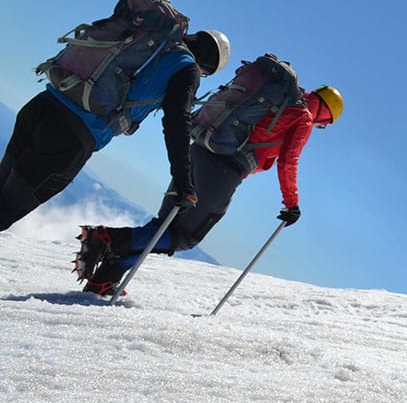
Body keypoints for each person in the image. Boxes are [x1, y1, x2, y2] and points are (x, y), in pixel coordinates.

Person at [74, 73, 343, 295]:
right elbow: (288, 161)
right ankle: (107, 237)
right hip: (223, 171)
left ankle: (105, 279)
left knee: (166, 224)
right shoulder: (303, 118)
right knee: (186, 236)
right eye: (325, 124)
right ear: (325, 115)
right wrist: (292, 203)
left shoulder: (281, 100)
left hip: (199, 151)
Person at [1, 0, 229, 233]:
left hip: (43, 104)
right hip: (71, 136)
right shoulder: (185, 68)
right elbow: (176, 123)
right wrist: (183, 181)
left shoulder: (146, 36)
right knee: (6, 210)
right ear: (208, 67)